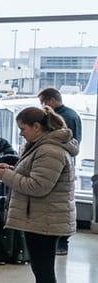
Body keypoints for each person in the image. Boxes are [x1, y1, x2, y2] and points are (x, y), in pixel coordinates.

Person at [0, 106, 77, 283]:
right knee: (41, 269)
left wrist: (5, 177)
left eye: (23, 129)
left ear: (37, 127)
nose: (21, 134)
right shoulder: (45, 147)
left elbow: (38, 186)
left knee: (43, 270)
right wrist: (11, 170)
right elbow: (33, 177)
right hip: (41, 218)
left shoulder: (49, 150)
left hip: (45, 219)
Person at [37, 87, 80, 255]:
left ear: (51, 101)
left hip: (58, 166)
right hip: (66, 163)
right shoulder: (73, 114)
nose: (42, 106)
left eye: (43, 102)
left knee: (57, 206)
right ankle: (62, 243)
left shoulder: (62, 118)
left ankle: (60, 243)